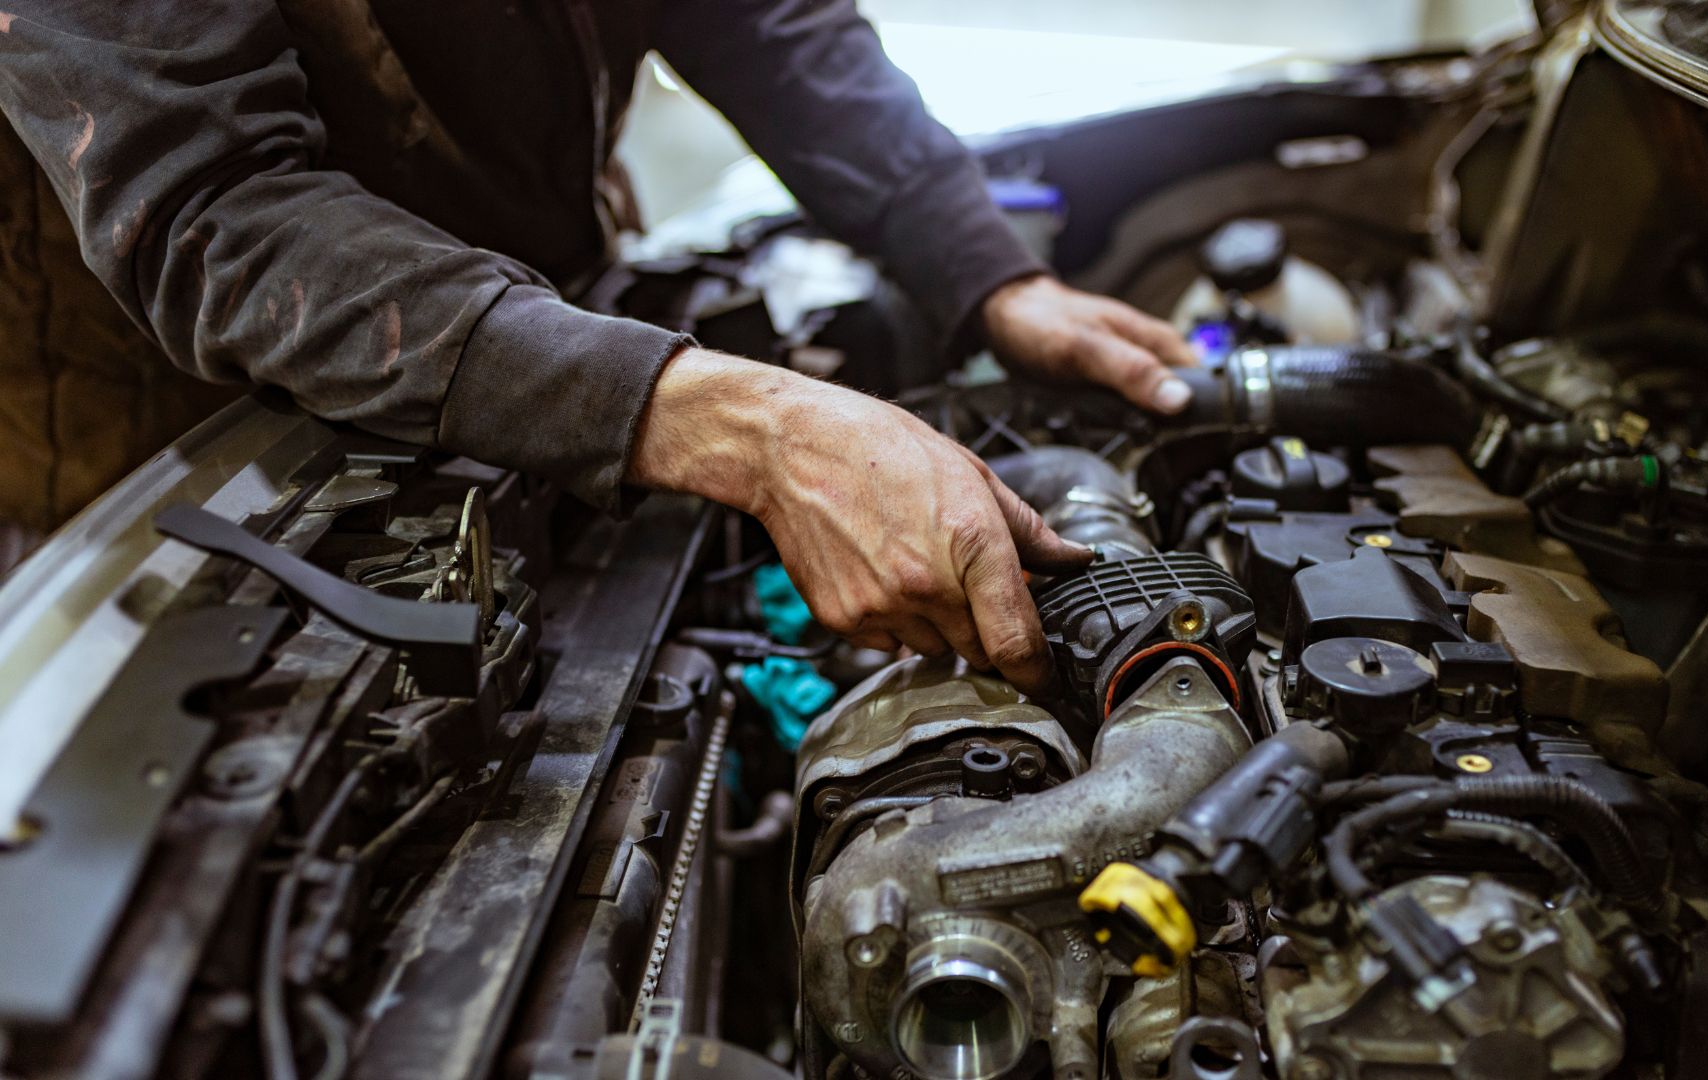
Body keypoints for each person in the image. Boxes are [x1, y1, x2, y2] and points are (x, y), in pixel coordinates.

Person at [0, 0, 1196, 691]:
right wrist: (750, 428)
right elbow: (215, 209)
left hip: (537, 306)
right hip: (178, 443)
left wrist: (983, 270)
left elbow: (765, 22)